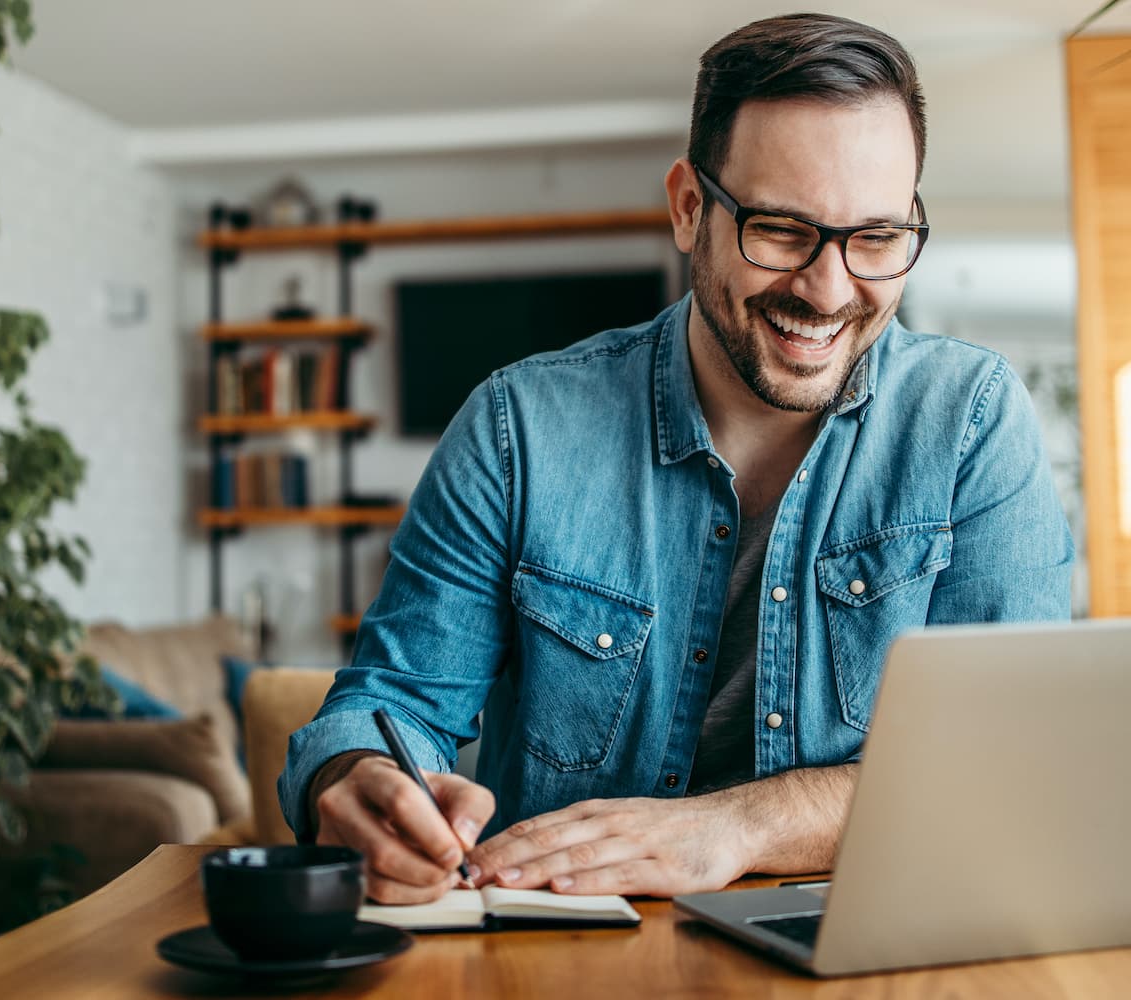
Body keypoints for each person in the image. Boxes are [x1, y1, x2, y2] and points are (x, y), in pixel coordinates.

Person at [278, 13, 1073, 904]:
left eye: (878, 238)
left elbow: (1008, 759)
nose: (829, 289)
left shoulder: (970, 419)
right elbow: (389, 704)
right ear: (690, 208)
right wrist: (355, 778)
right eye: (782, 230)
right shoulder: (517, 428)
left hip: (862, 938)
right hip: (562, 946)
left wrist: (738, 827)